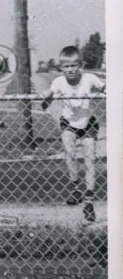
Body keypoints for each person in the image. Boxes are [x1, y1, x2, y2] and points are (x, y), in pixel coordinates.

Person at [40, 46, 105, 211]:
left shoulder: (89, 78)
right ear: (61, 68)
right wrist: (46, 96)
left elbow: (104, 87)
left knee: (90, 159)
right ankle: (76, 189)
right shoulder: (59, 82)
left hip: (87, 122)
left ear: (80, 65)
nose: (70, 70)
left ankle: (89, 197)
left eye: (74, 65)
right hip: (69, 122)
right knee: (70, 154)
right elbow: (47, 100)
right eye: (66, 66)